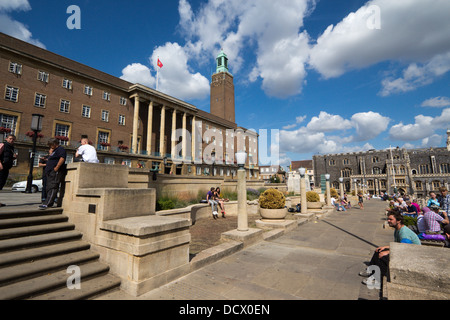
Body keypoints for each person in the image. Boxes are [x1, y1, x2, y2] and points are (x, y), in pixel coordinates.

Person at [359, 209, 421, 285]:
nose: (388, 221)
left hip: (412, 256)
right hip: (405, 250)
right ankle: (371, 271)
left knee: (383, 257)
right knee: (378, 250)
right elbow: (398, 244)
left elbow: (403, 248)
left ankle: (377, 279)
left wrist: (387, 252)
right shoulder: (398, 229)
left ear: (398, 221)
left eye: (391, 219)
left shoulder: (404, 232)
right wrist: (385, 247)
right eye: (388, 219)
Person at [39, 139, 67, 210]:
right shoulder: (54, 151)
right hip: (49, 172)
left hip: (55, 171)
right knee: (48, 187)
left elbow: (62, 158)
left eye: (51, 145)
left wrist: (57, 167)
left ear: (54, 143)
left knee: (53, 187)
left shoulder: (61, 149)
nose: (50, 147)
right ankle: (48, 202)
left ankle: (47, 203)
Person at [0, 134, 17, 207]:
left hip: (6, 168)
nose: (11, 140)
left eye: (13, 139)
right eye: (10, 138)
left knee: (1, 185)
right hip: (1, 167)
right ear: (6, 139)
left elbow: (7, 158)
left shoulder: (11, 148)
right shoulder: (3, 145)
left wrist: (14, 158)